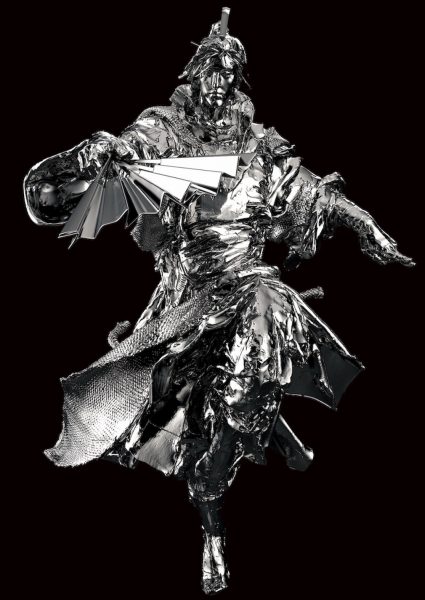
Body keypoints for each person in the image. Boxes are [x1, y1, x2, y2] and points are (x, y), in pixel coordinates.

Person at [23, 8, 414, 596]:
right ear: (195, 73)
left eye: (231, 72)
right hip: (189, 296)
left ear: (239, 81)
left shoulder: (259, 147)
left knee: (262, 317)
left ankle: (260, 425)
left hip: (249, 280)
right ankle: (216, 519)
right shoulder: (166, 134)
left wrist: (364, 224)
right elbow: (76, 181)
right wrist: (92, 155)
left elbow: (310, 194)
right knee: (191, 426)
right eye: (213, 69)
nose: (220, 81)